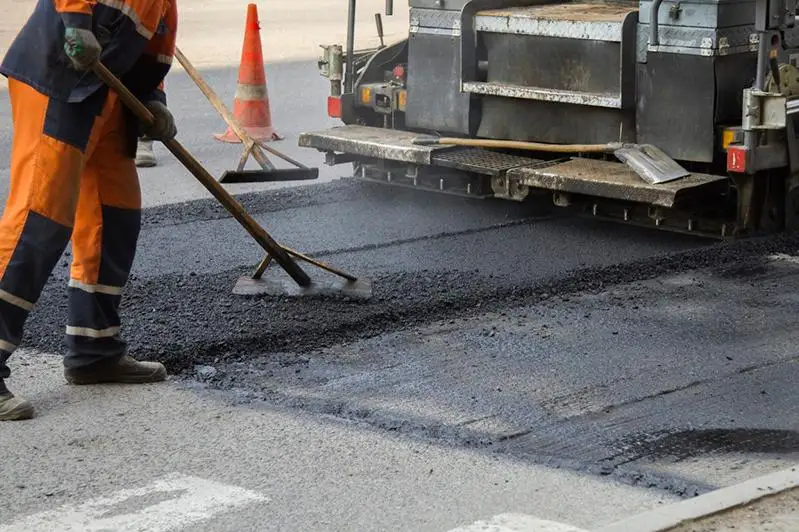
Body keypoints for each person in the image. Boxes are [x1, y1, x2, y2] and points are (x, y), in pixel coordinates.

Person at [0, 0, 179, 421]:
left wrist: (153, 100)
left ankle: (93, 349)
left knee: (115, 217)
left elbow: (153, 48)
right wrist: (76, 21)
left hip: (107, 95)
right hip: (59, 75)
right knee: (38, 220)